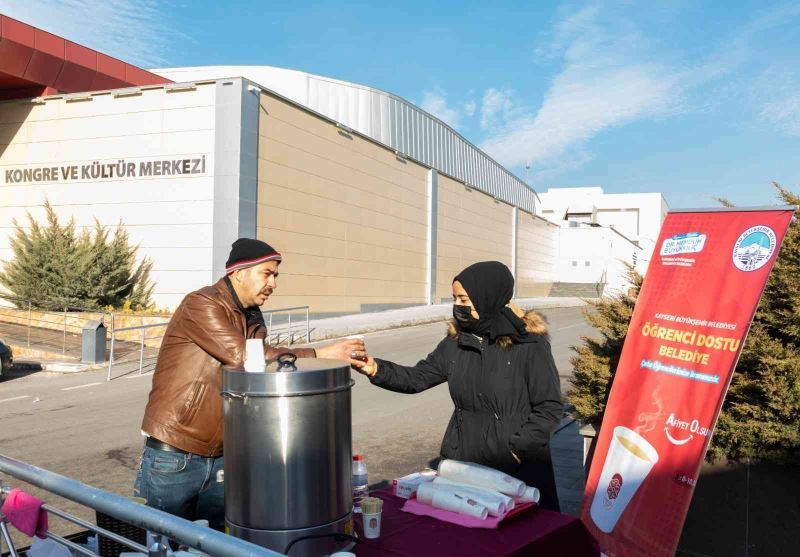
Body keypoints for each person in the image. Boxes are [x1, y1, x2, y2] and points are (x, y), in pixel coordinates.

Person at [134, 238, 366, 529]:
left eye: (276, 276)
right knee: (159, 543)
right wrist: (321, 353)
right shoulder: (202, 304)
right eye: (266, 274)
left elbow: (265, 369)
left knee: (218, 544)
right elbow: (246, 358)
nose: (273, 284)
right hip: (175, 455)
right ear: (238, 272)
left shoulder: (252, 315)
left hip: (224, 455)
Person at [355, 261, 564, 510]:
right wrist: (375, 368)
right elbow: (418, 377)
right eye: (455, 298)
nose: (457, 306)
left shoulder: (529, 345)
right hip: (464, 463)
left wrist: (517, 450)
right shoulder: (456, 342)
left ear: (487, 296)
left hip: (513, 469)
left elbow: (549, 408)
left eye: (464, 299)